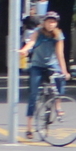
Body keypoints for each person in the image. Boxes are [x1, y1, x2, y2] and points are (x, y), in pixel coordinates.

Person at [20, 11, 68, 140]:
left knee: (60, 81)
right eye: (49, 21)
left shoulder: (58, 35)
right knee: (34, 94)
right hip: (37, 66)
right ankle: (29, 127)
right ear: (44, 22)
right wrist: (25, 50)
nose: (51, 24)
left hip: (51, 65)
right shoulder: (38, 32)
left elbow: (60, 54)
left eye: (54, 22)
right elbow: (31, 43)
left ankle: (58, 105)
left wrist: (64, 71)